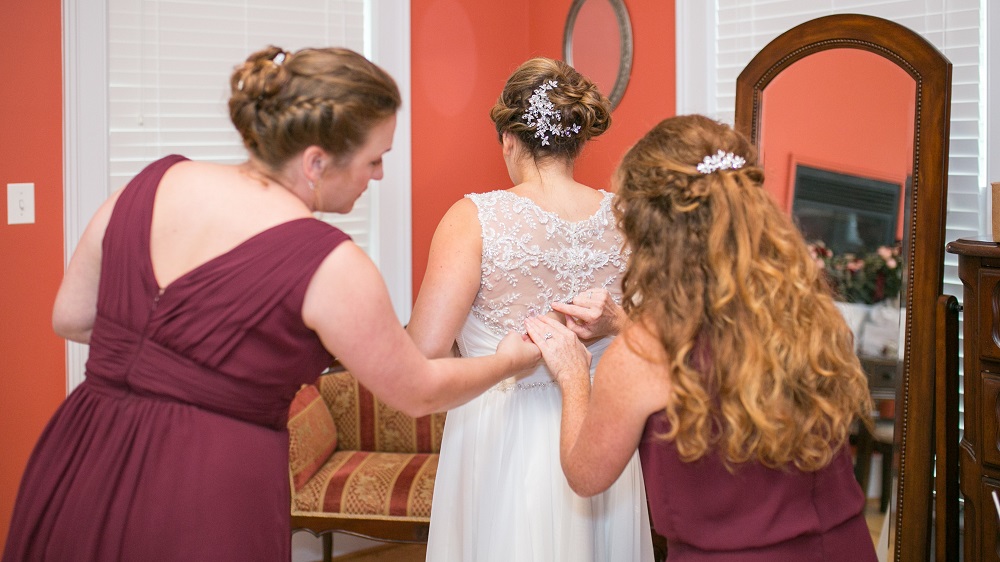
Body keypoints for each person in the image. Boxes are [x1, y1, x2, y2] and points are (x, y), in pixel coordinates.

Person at [1, 46, 539, 562]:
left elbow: (70, 318)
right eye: (374, 159)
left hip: (84, 451)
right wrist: (512, 360)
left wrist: (174, 359)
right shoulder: (328, 262)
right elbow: (417, 391)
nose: (378, 176)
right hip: (204, 482)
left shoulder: (147, 185)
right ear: (315, 162)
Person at [526, 114, 879, 561]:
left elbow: (585, 474)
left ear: (649, 233)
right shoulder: (808, 314)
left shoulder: (643, 355)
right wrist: (621, 325)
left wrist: (574, 373)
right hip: (842, 547)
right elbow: (720, 351)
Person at [407, 57, 654, 562]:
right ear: (578, 140)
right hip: (601, 433)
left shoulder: (472, 219)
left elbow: (422, 353)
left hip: (500, 438)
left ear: (509, 139)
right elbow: (656, 338)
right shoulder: (626, 218)